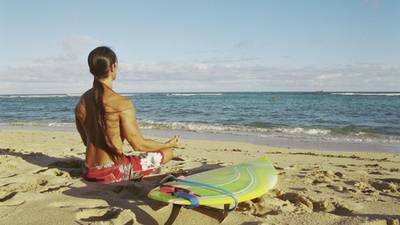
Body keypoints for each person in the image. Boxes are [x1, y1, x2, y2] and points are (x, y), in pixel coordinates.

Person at [75, 46, 180, 184]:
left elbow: (85, 141)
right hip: (112, 172)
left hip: (88, 170)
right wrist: (167, 144)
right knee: (168, 153)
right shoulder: (122, 103)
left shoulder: (81, 101)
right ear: (113, 67)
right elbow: (138, 145)